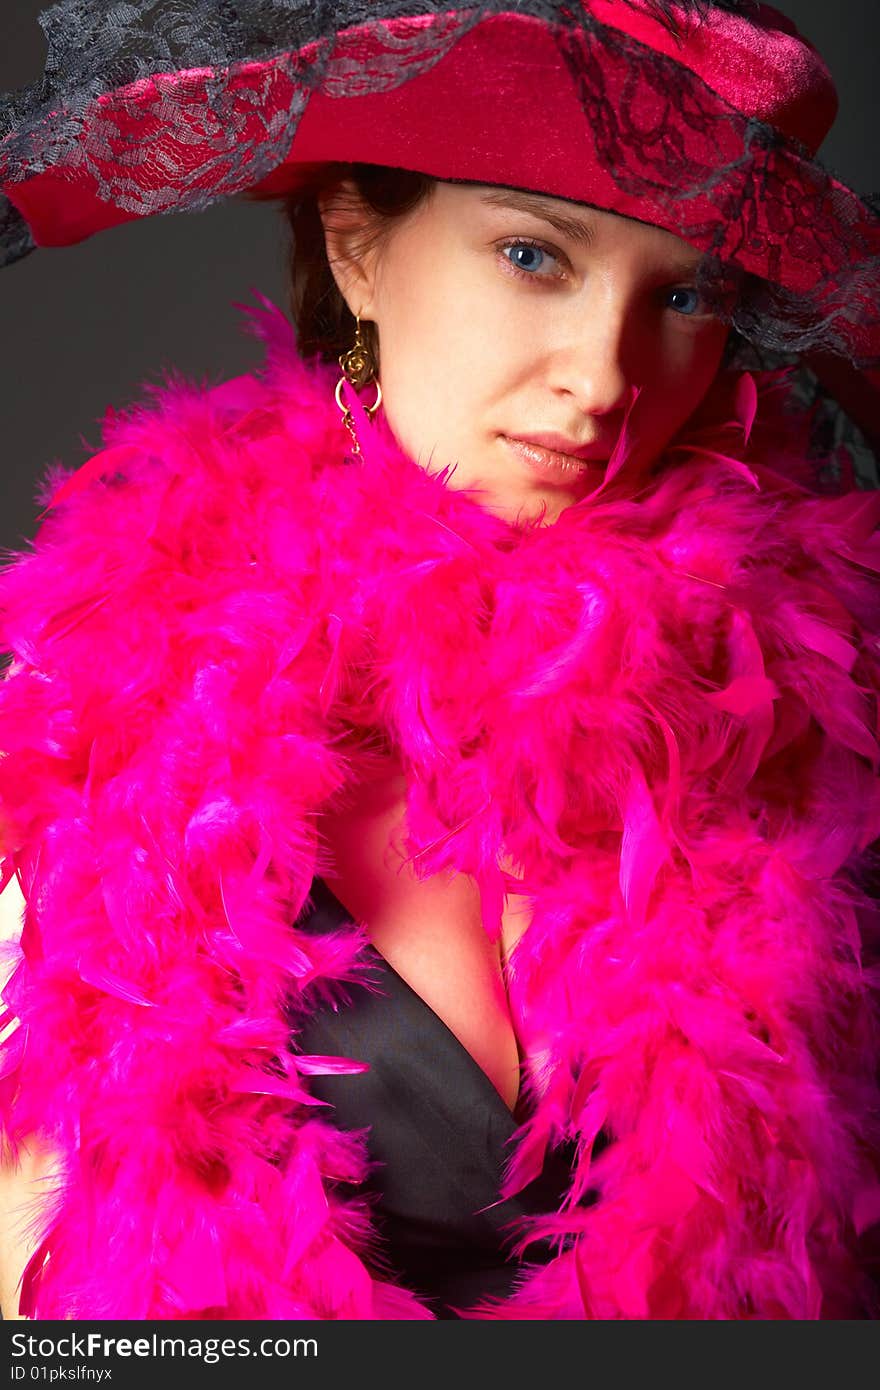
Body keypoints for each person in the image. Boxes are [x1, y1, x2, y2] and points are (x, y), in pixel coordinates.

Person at [0, 0, 878, 1321]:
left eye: (686, 295)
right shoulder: (92, 706)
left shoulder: (815, 707)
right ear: (356, 245)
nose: (602, 376)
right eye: (535, 255)